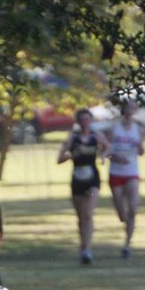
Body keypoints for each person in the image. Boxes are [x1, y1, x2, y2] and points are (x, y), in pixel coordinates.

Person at [57, 108, 109, 264]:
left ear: (91, 120)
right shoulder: (72, 138)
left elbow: (108, 147)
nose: (85, 122)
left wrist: (103, 156)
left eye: (88, 119)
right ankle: (83, 246)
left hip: (93, 180)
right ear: (78, 122)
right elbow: (59, 159)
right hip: (77, 180)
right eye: (82, 120)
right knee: (81, 217)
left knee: (88, 214)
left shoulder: (96, 136)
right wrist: (73, 154)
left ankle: (87, 249)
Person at [108, 100, 144, 257]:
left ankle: (127, 244)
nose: (129, 112)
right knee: (122, 213)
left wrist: (141, 148)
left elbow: (141, 151)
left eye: (132, 109)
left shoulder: (138, 129)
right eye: (127, 109)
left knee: (133, 209)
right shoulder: (114, 128)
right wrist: (115, 157)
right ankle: (122, 217)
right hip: (116, 172)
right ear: (123, 111)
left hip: (132, 172)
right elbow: (106, 149)